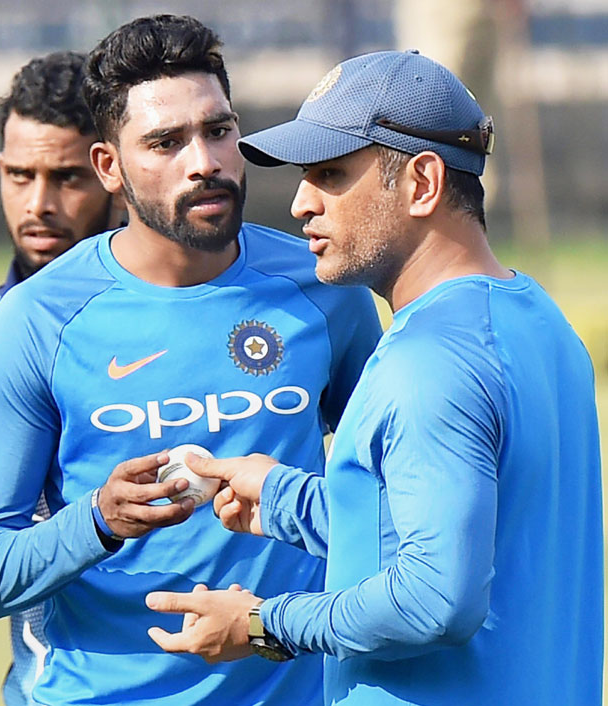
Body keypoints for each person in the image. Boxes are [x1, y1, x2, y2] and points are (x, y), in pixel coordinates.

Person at [144, 50, 604, 705]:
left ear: (421, 183)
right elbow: (452, 529)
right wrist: (282, 498)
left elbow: (435, 598)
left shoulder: (430, 361)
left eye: (331, 174)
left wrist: (260, 623)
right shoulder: (537, 321)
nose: (302, 203)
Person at [0, 15, 381, 706]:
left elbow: (391, 498)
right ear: (109, 167)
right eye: (165, 142)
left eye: (217, 130)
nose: (203, 160)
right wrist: (99, 518)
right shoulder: (39, 320)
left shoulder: (322, 291)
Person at [0, 51, 124, 704]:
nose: (38, 204)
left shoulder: (234, 306)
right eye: (19, 175)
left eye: (66, 177)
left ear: (114, 172)